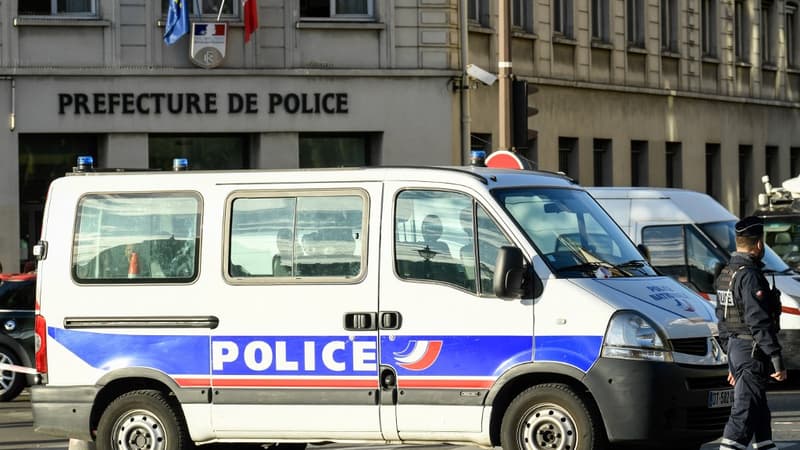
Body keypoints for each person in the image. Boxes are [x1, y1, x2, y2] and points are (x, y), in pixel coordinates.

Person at [715, 216, 786, 450]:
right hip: (751, 352)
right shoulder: (750, 276)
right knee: (743, 414)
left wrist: (731, 361)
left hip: (737, 350)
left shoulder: (726, 274)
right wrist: (776, 359)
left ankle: (765, 445)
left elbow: (723, 321)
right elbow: (758, 322)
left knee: (758, 412)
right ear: (758, 244)